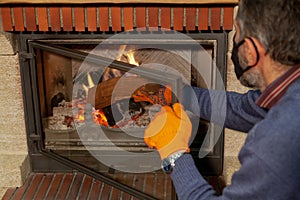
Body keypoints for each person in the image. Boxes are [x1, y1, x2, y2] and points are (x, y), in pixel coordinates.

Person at [143, 0, 300, 199]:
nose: (235, 42)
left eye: (237, 33)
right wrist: (181, 95)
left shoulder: (277, 143)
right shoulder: (288, 91)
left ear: (251, 50)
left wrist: (173, 152)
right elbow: (241, 109)